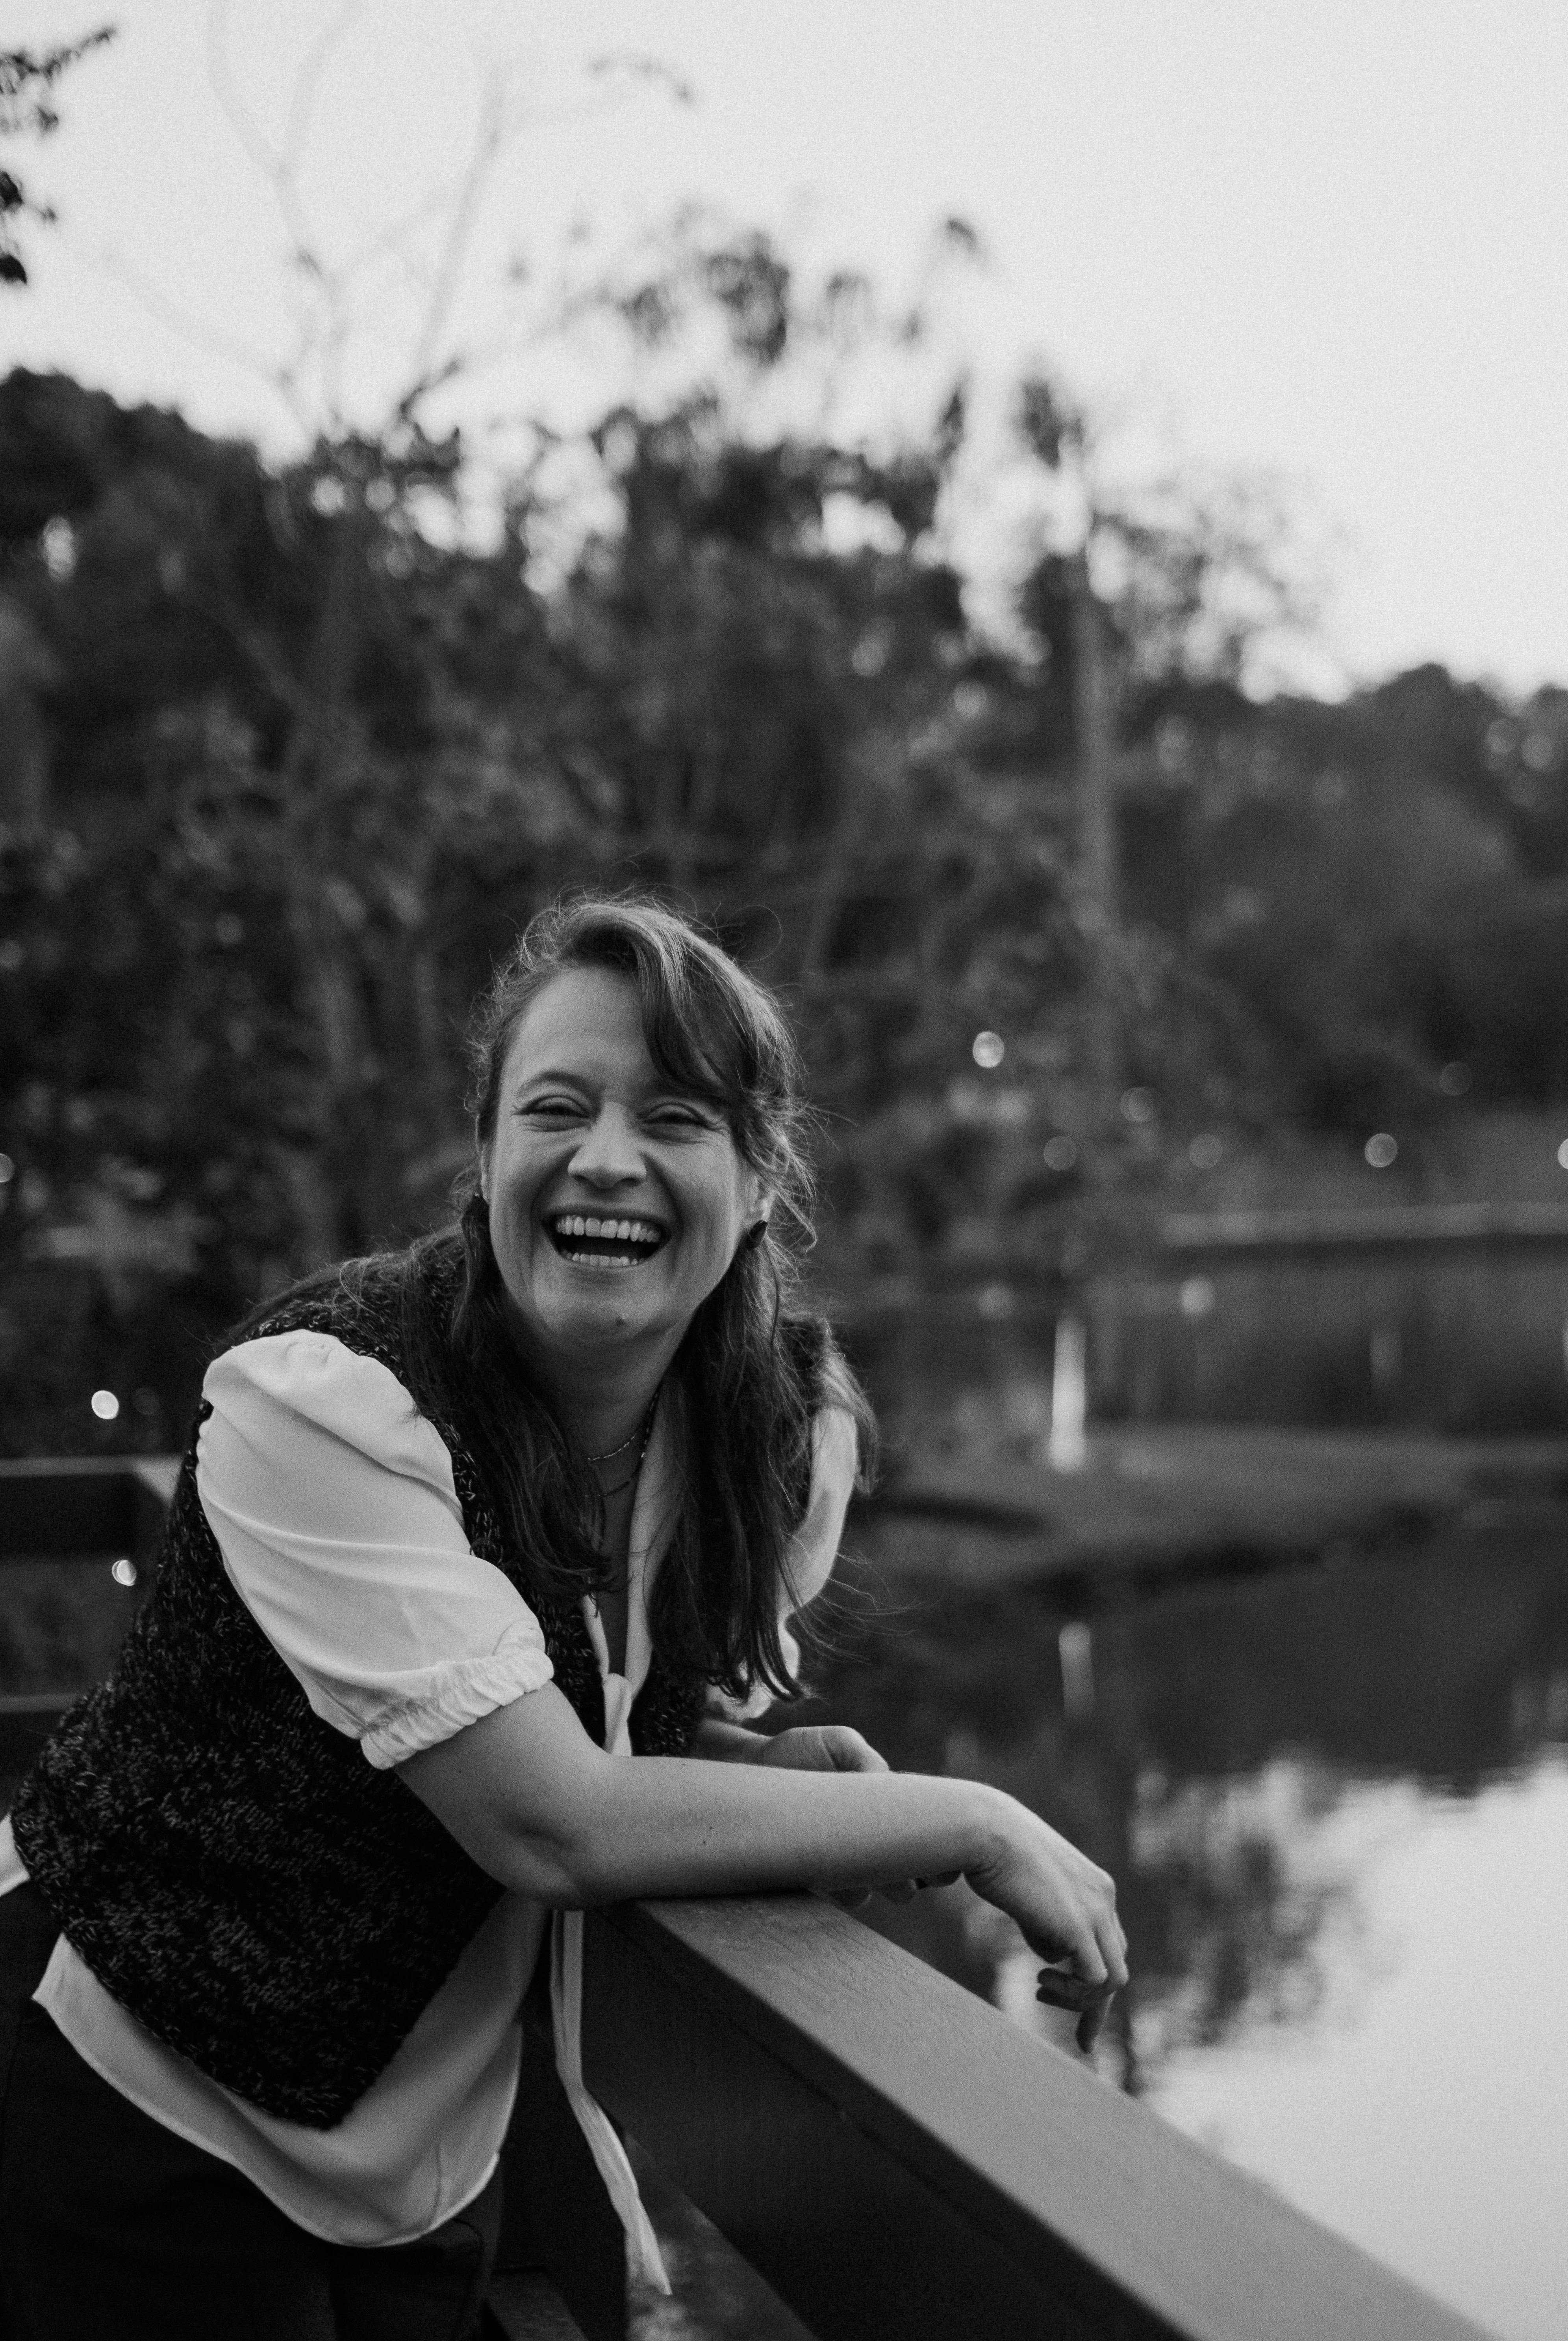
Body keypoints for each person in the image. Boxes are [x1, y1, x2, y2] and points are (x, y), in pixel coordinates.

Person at [0, 894, 1126, 2339]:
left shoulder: (772, 1441)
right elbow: (550, 1819)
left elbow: (585, 1704)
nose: (606, 1158)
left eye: (675, 1117)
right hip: (142, 2106)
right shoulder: (323, 1401)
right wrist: (962, 1819)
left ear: (759, 1182)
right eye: (557, 1108)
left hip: (431, 2160)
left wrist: (750, 1769)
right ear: (486, 1158)